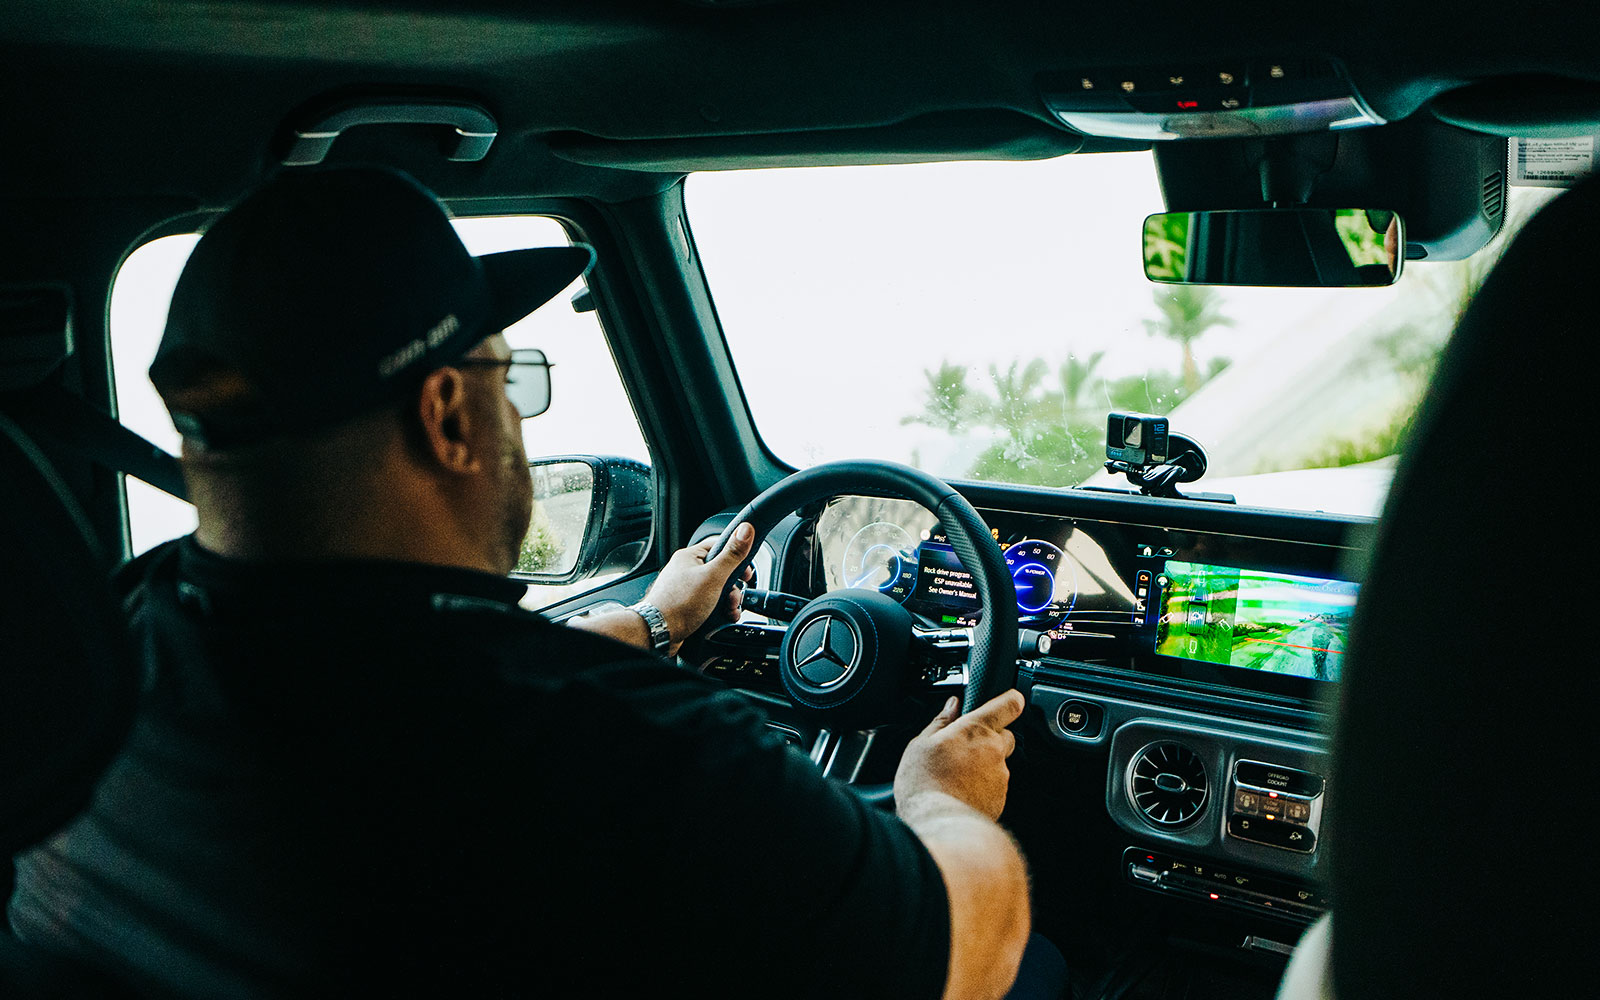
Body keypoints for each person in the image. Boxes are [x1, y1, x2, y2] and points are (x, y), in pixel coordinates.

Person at [7, 167, 1042, 999]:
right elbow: (968, 948)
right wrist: (938, 800)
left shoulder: (110, 652)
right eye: (513, 379)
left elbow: (414, 706)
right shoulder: (632, 758)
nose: (515, 419)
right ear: (450, 414)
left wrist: (648, 621)